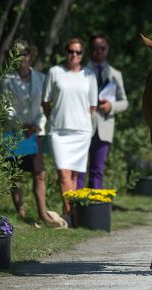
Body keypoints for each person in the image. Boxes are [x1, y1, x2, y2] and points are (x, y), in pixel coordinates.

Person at [1, 40, 60, 227]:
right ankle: (20, 210)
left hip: (36, 131)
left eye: (25, 53)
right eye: (18, 54)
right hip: (14, 131)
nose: (22, 57)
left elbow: (45, 106)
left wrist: (37, 125)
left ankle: (43, 212)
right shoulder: (7, 80)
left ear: (30, 55)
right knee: (16, 173)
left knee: (39, 172)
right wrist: (21, 125)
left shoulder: (42, 79)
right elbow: (6, 108)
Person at [42, 38, 98, 224]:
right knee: (64, 174)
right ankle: (69, 214)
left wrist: (80, 119)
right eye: (71, 51)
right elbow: (45, 102)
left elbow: (92, 106)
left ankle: (72, 213)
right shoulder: (54, 72)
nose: (74, 55)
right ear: (65, 52)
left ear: (82, 55)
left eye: (78, 52)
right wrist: (55, 117)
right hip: (58, 131)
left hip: (81, 132)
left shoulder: (89, 75)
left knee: (74, 175)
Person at [77, 35, 129, 189]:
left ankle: (94, 207)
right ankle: (78, 207)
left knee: (97, 170)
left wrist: (111, 106)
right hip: (83, 125)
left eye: (102, 48)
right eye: (95, 48)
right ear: (89, 51)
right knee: (79, 170)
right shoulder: (81, 72)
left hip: (104, 127)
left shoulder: (115, 74)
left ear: (107, 50)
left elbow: (124, 102)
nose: (98, 51)